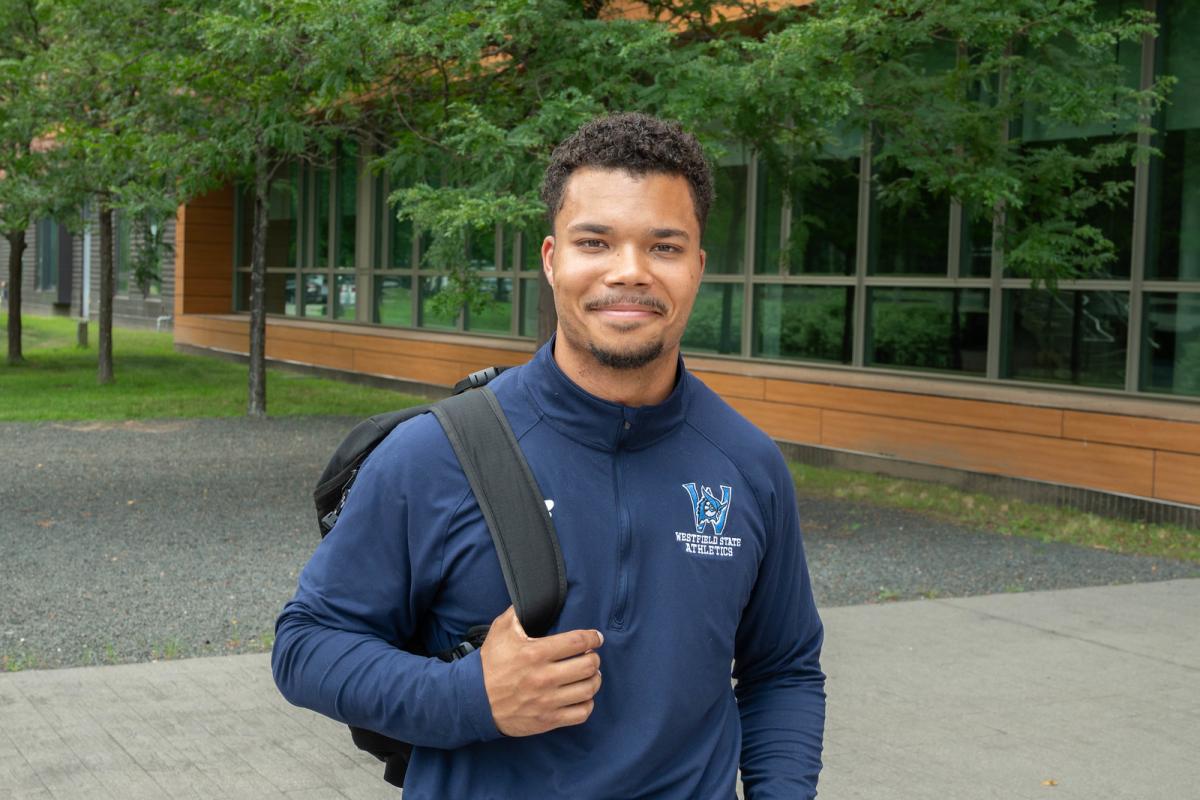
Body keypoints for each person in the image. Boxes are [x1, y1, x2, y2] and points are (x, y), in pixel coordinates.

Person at [273, 112, 825, 799]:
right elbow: (307, 645)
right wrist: (468, 697)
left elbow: (783, 670)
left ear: (698, 267)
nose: (630, 272)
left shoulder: (749, 464)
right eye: (595, 241)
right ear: (551, 258)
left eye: (665, 246)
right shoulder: (437, 453)